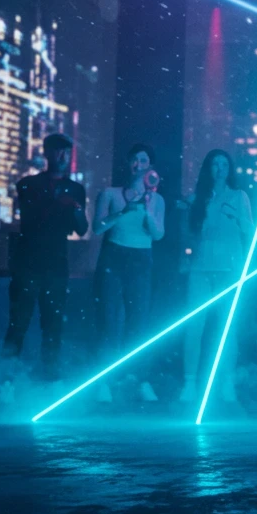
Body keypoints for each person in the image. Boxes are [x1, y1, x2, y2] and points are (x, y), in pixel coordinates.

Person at [2, 134, 88, 388]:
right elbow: (29, 218)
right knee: (19, 322)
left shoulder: (76, 189)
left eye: (66, 152)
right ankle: (5, 381)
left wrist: (75, 209)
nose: (62, 157)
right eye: (57, 151)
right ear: (47, 153)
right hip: (28, 261)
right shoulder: (28, 184)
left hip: (57, 263)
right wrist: (58, 204)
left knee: (53, 324)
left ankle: (49, 377)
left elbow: (81, 229)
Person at [92, 143, 166, 403]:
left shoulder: (157, 199)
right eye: (134, 159)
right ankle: (104, 382)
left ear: (151, 166)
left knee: (139, 323)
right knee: (109, 321)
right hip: (114, 256)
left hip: (141, 259)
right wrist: (123, 211)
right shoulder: (110, 193)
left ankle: (139, 379)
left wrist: (146, 210)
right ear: (128, 163)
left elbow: (158, 234)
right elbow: (98, 228)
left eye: (143, 160)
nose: (138, 164)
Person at [178, 149, 252, 405]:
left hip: (230, 269)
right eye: (214, 164)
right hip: (201, 268)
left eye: (224, 163)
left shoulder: (240, 197)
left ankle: (227, 382)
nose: (219, 168)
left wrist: (236, 216)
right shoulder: (196, 198)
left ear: (229, 169)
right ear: (207, 169)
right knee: (194, 327)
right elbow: (188, 235)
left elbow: (250, 231)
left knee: (226, 329)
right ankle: (190, 383)